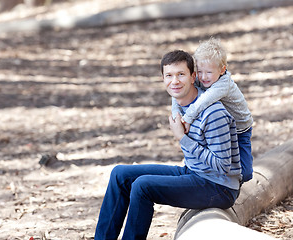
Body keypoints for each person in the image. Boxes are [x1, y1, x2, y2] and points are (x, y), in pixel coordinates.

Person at [94, 50, 242, 240]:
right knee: (120, 174)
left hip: (219, 186)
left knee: (142, 186)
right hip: (195, 173)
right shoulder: (181, 102)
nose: (175, 81)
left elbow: (223, 165)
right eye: (169, 76)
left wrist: (183, 138)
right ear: (162, 78)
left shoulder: (213, 113)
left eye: (181, 74)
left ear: (192, 77)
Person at [171, 38, 254, 183]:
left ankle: (234, 189)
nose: (203, 77)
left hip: (241, 129)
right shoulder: (204, 78)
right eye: (200, 71)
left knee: (245, 173)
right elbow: (178, 91)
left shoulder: (223, 84)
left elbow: (203, 102)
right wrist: (176, 114)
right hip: (222, 126)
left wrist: (187, 119)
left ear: (222, 70)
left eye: (209, 72)